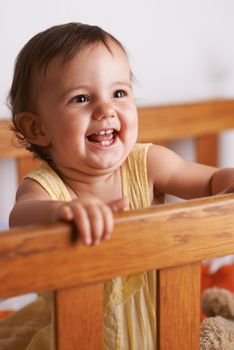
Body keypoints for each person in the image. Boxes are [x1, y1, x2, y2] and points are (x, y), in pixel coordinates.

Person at [7, 22, 234, 350]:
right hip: (79, 335)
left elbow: (213, 181)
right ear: (37, 127)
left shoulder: (149, 163)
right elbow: (22, 216)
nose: (106, 109)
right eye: (81, 98)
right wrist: (64, 212)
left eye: (119, 93)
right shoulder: (45, 188)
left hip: (167, 326)